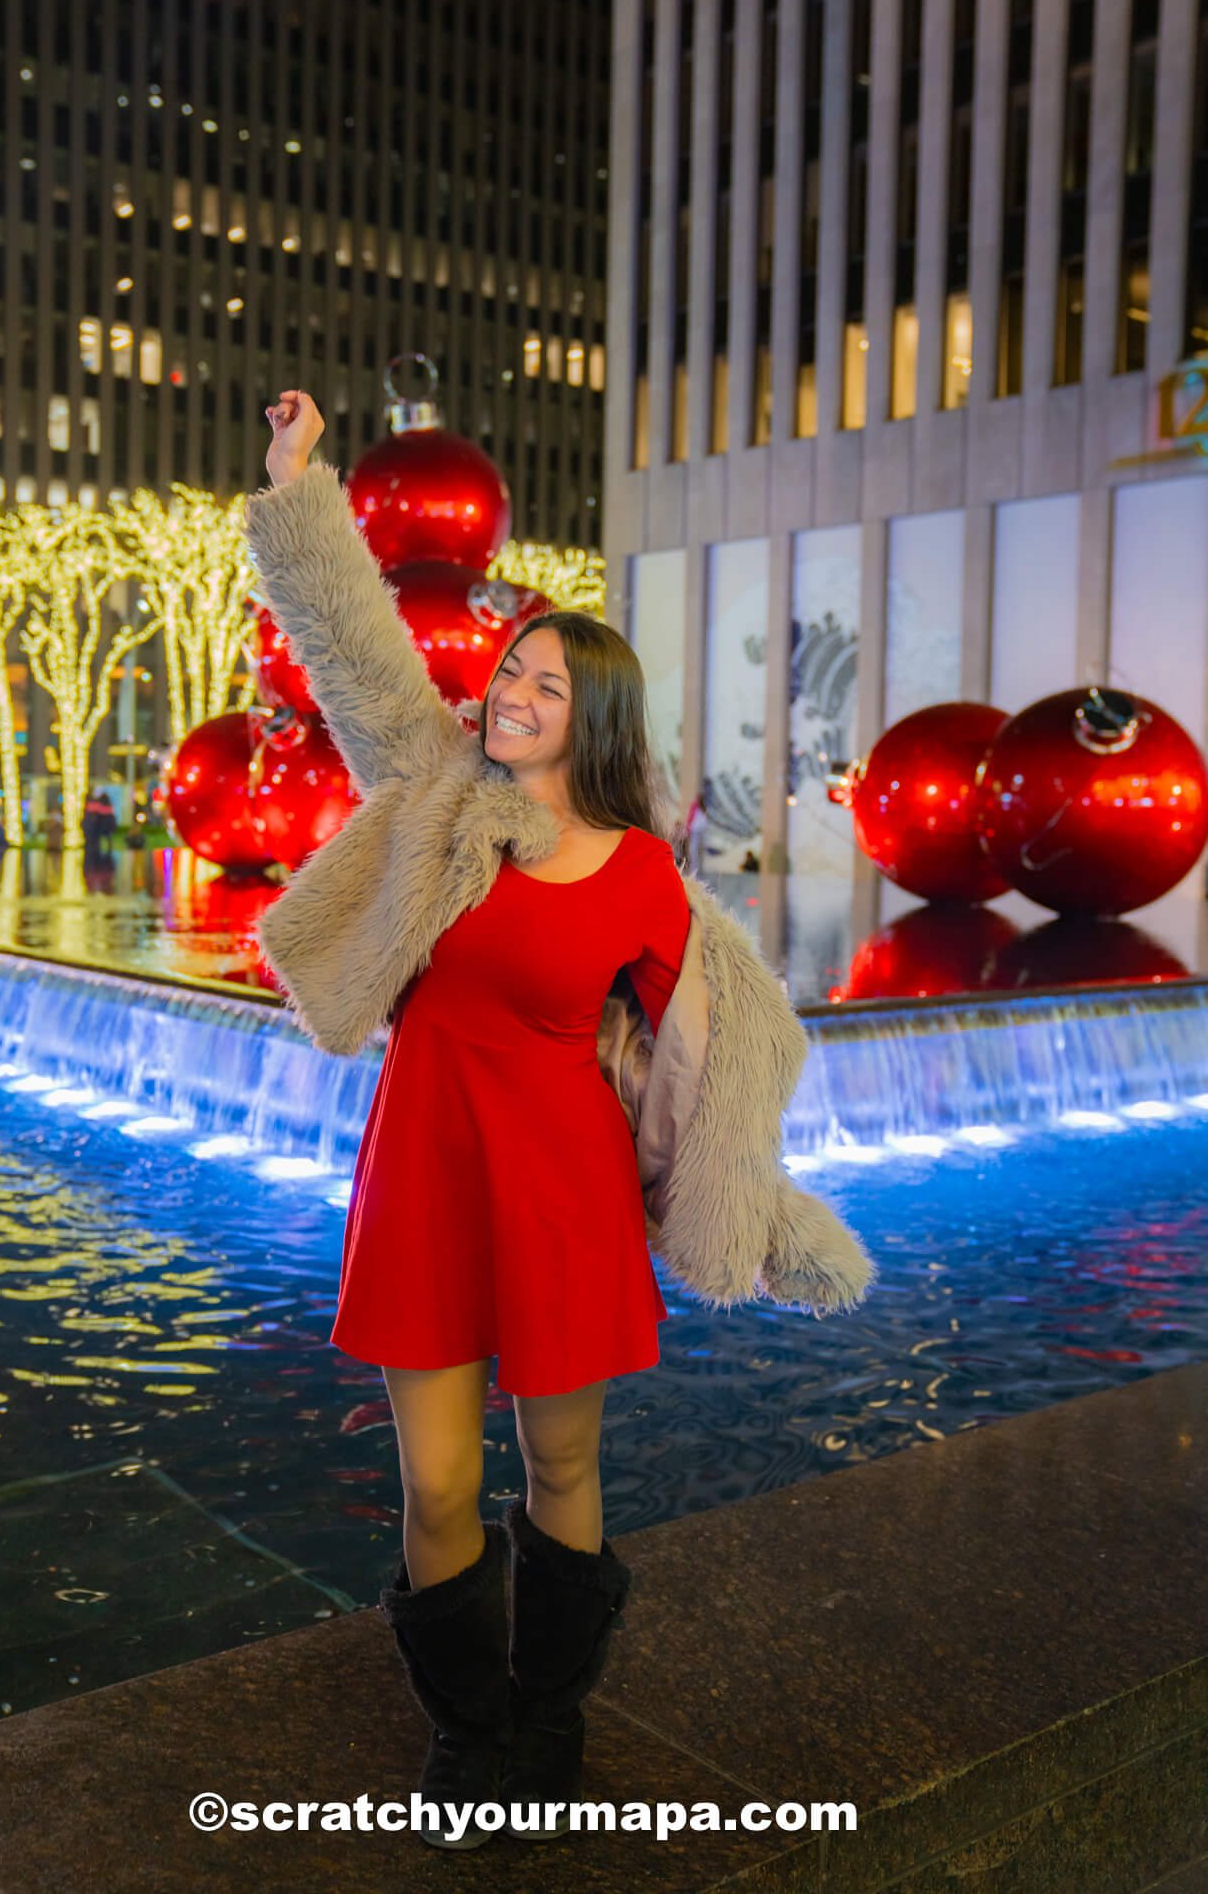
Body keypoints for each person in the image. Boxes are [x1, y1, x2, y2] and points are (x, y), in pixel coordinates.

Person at [248, 390, 875, 1851]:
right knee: (437, 1484)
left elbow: (708, 1063)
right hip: (423, 1180)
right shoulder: (439, 796)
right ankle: (469, 1735)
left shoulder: (644, 881)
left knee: (569, 1469)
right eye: (509, 668)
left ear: (590, 715)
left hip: (562, 1196)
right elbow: (355, 651)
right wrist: (299, 493)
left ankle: (552, 1718)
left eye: (542, 679)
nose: (509, 690)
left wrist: (753, 1211)